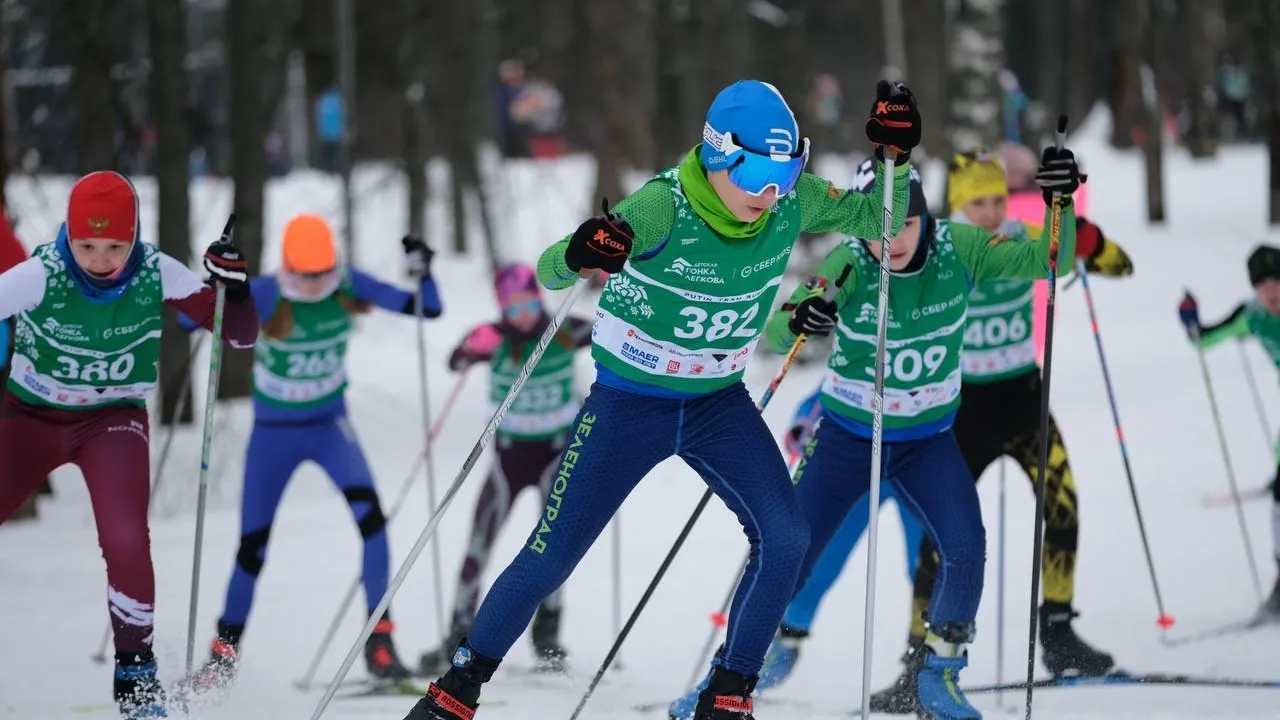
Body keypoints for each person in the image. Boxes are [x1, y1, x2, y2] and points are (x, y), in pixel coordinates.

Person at [401, 78, 922, 720]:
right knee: (553, 552)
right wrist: (582, 249)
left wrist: (895, 155)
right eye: (759, 173)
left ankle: (726, 695)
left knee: (786, 536)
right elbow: (550, 272)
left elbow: (882, 219)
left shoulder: (793, 203)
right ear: (719, 154)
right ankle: (455, 692)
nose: (771, 192)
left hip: (717, 404)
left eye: (786, 173)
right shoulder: (661, 207)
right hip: (629, 405)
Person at [674, 140, 1087, 720]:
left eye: (905, 224)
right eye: (877, 228)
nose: (889, 241)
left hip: (928, 441)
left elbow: (1052, 258)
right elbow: (774, 332)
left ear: (926, 216)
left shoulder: (960, 248)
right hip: (847, 439)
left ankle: (938, 676)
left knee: (966, 548)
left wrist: (1059, 202)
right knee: (788, 554)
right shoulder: (850, 261)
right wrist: (804, 317)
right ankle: (726, 677)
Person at [856, 147, 1135, 712]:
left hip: (1024, 403)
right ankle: (918, 659)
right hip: (963, 414)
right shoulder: (939, 253)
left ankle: (1058, 632)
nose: (987, 212)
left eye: (995, 200)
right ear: (955, 206)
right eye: (974, 202)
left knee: (1063, 510)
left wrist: (1084, 233)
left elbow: (1115, 264)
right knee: (943, 537)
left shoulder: (1025, 238)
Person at [0, 171, 258, 718]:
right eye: (85, 245)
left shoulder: (155, 272)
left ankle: (136, 678)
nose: (98, 258)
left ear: (135, 236)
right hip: (31, 418)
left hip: (110, 421)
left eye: (114, 246)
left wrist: (235, 289)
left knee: (125, 539)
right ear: (67, 234)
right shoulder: (39, 275)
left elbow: (237, 335)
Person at [186, 214, 443, 692]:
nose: (315, 284)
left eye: (323, 273)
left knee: (373, 522)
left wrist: (424, 270)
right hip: (274, 434)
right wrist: (216, 280)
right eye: (305, 275)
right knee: (253, 547)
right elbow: (187, 319)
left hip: (329, 427)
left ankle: (379, 643)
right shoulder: (265, 292)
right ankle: (222, 655)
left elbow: (428, 309)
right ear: (287, 268)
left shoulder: (348, 285)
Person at [417, 264, 593, 675]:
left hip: (556, 457)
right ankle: (457, 635)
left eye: (530, 303)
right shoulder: (493, 338)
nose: (524, 314)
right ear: (501, 309)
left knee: (554, 549)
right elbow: (455, 361)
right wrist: (469, 347)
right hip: (508, 459)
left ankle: (547, 640)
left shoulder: (565, 329)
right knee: (478, 545)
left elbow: (612, 333)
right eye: (513, 307)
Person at [1180, 245, 1280, 622]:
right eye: (1263, 285)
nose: (1272, 292)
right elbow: (1203, 339)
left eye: (1278, 282)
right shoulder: (1253, 316)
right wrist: (1190, 320)